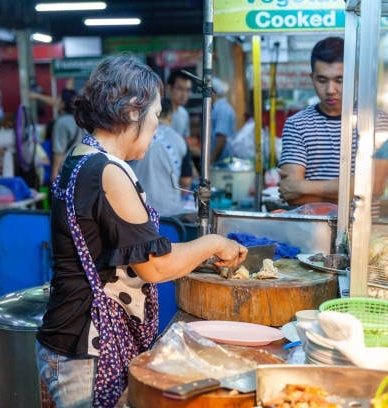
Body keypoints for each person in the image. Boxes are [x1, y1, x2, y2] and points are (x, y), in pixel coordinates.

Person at [35, 54, 248, 407]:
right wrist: (213, 242)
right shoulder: (107, 171)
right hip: (85, 347)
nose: (156, 125)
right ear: (132, 111)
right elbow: (156, 265)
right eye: (155, 113)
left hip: (66, 340)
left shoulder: (81, 157)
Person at [278, 36, 388, 206]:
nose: (330, 90)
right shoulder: (297, 124)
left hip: (362, 229)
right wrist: (355, 191)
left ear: (354, 78)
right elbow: (292, 195)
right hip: (311, 229)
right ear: (312, 78)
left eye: (340, 80)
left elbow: (375, 186)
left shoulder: (376, 120)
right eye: (322, 80)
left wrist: (304, 187)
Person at [130, 96, 194, 216]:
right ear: (170, 116)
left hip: (139, 212)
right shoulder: (180, 140)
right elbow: (186, 181)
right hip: (170, 215)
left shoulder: (135, 137)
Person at [48, 88, 83, 183]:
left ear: (63, 103)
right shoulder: (81, 119)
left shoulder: (61, 122)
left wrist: (54, 173)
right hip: (80, 167)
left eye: (59, 99)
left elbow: (59, 151)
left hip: (65, 169)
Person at [210, 77, 236, 163]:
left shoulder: (222, 109)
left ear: (213, 92)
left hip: (222, 161)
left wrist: (212, 159)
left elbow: (221, 138)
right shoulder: (217, 108)